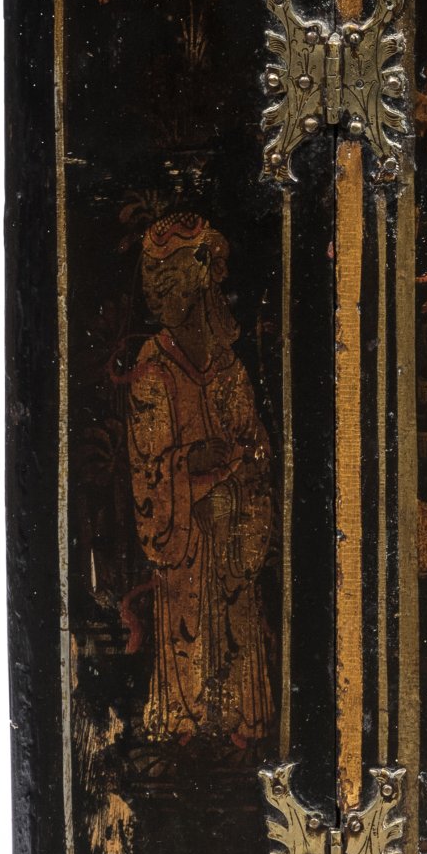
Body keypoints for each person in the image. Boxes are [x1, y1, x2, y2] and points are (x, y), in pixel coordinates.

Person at [124, 216, 276, 751]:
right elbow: (149, 465)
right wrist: (190, 462)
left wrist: (243, 468)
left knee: (237, 612)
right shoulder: (154, 368)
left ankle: (239, 727)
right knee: (189, 622)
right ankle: (184, 724)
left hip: (231, 528)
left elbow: (254, 444)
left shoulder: (228, 368)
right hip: (186, 535)